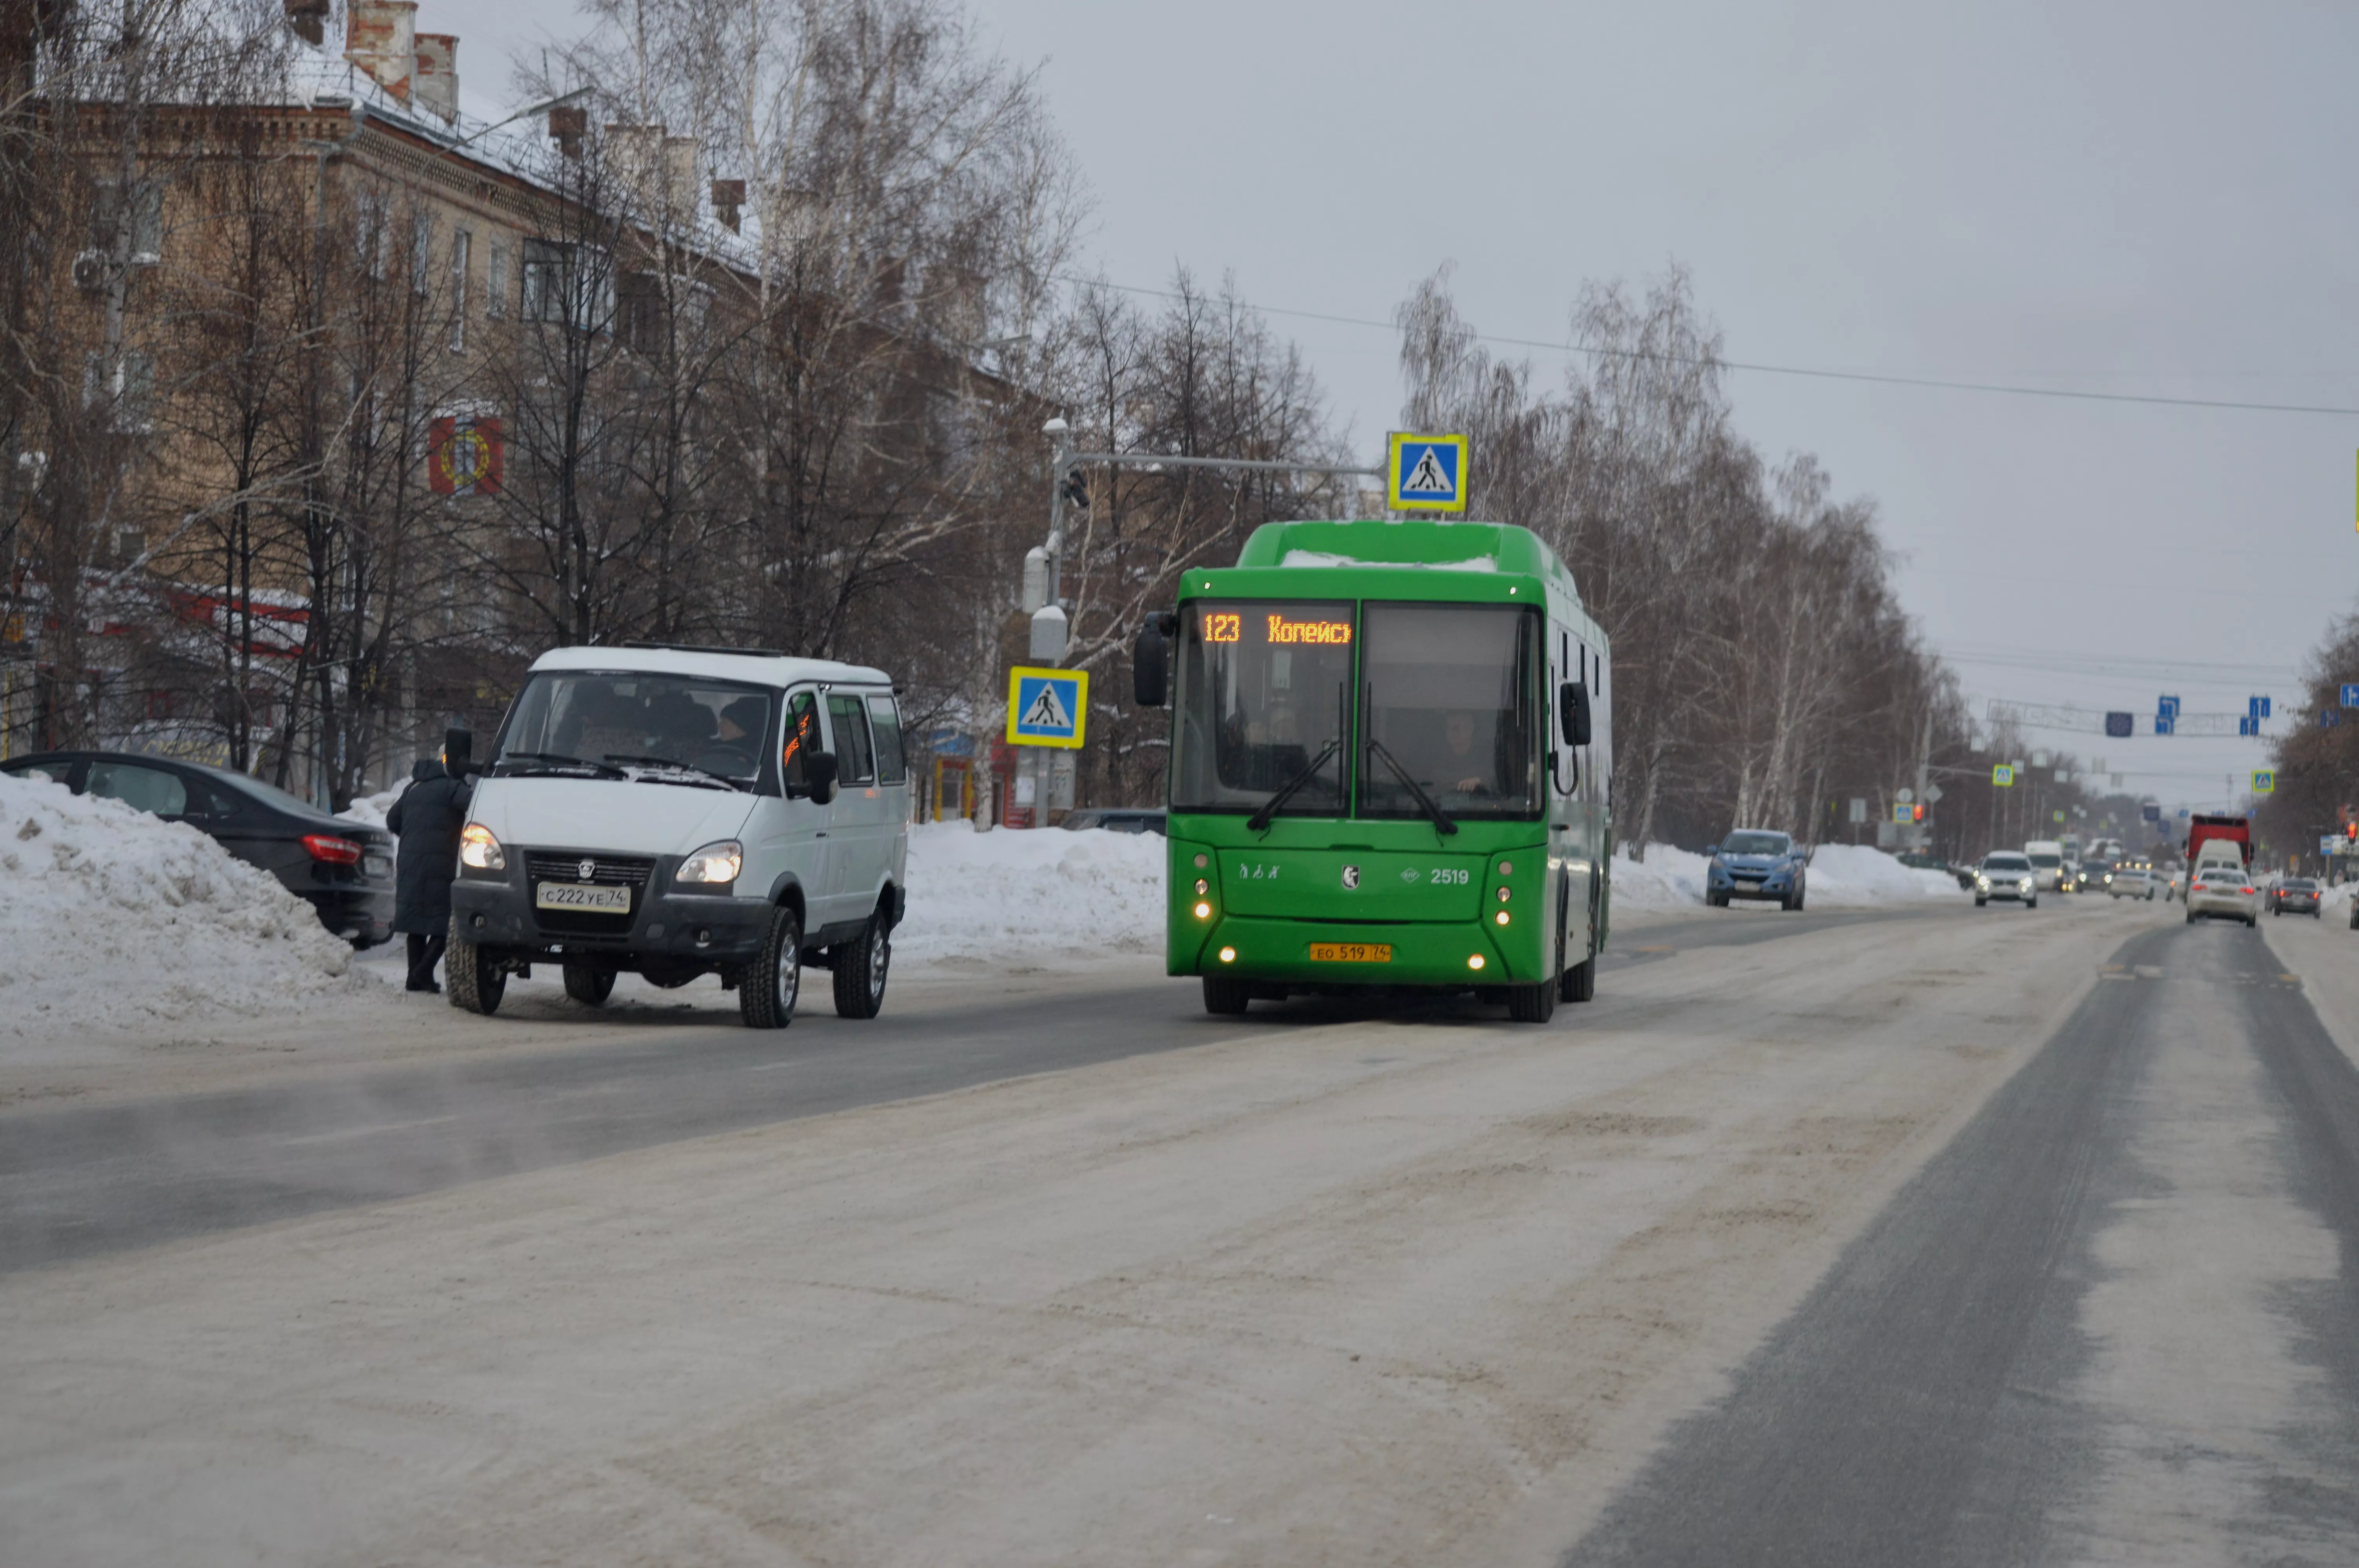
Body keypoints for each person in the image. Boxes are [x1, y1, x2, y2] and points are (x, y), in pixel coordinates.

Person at [386, 730, 474, 993]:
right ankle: (423, 972)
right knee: (444, 921)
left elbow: (392, 820)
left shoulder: (413, 787)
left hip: (410, 861)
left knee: (416, 922)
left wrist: (414, 838)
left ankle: (414, 979)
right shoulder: (453, 787)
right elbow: (474, 808)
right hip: (442, 862)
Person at [1441, 709, 1488, 793]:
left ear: (1470, 729)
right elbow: (1436, 779)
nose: (1450, 733)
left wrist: (1479, 781)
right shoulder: (1440, 755)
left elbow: (1495, 779)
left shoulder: (1486, 754)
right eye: (1448, 728)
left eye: (1456, 729)